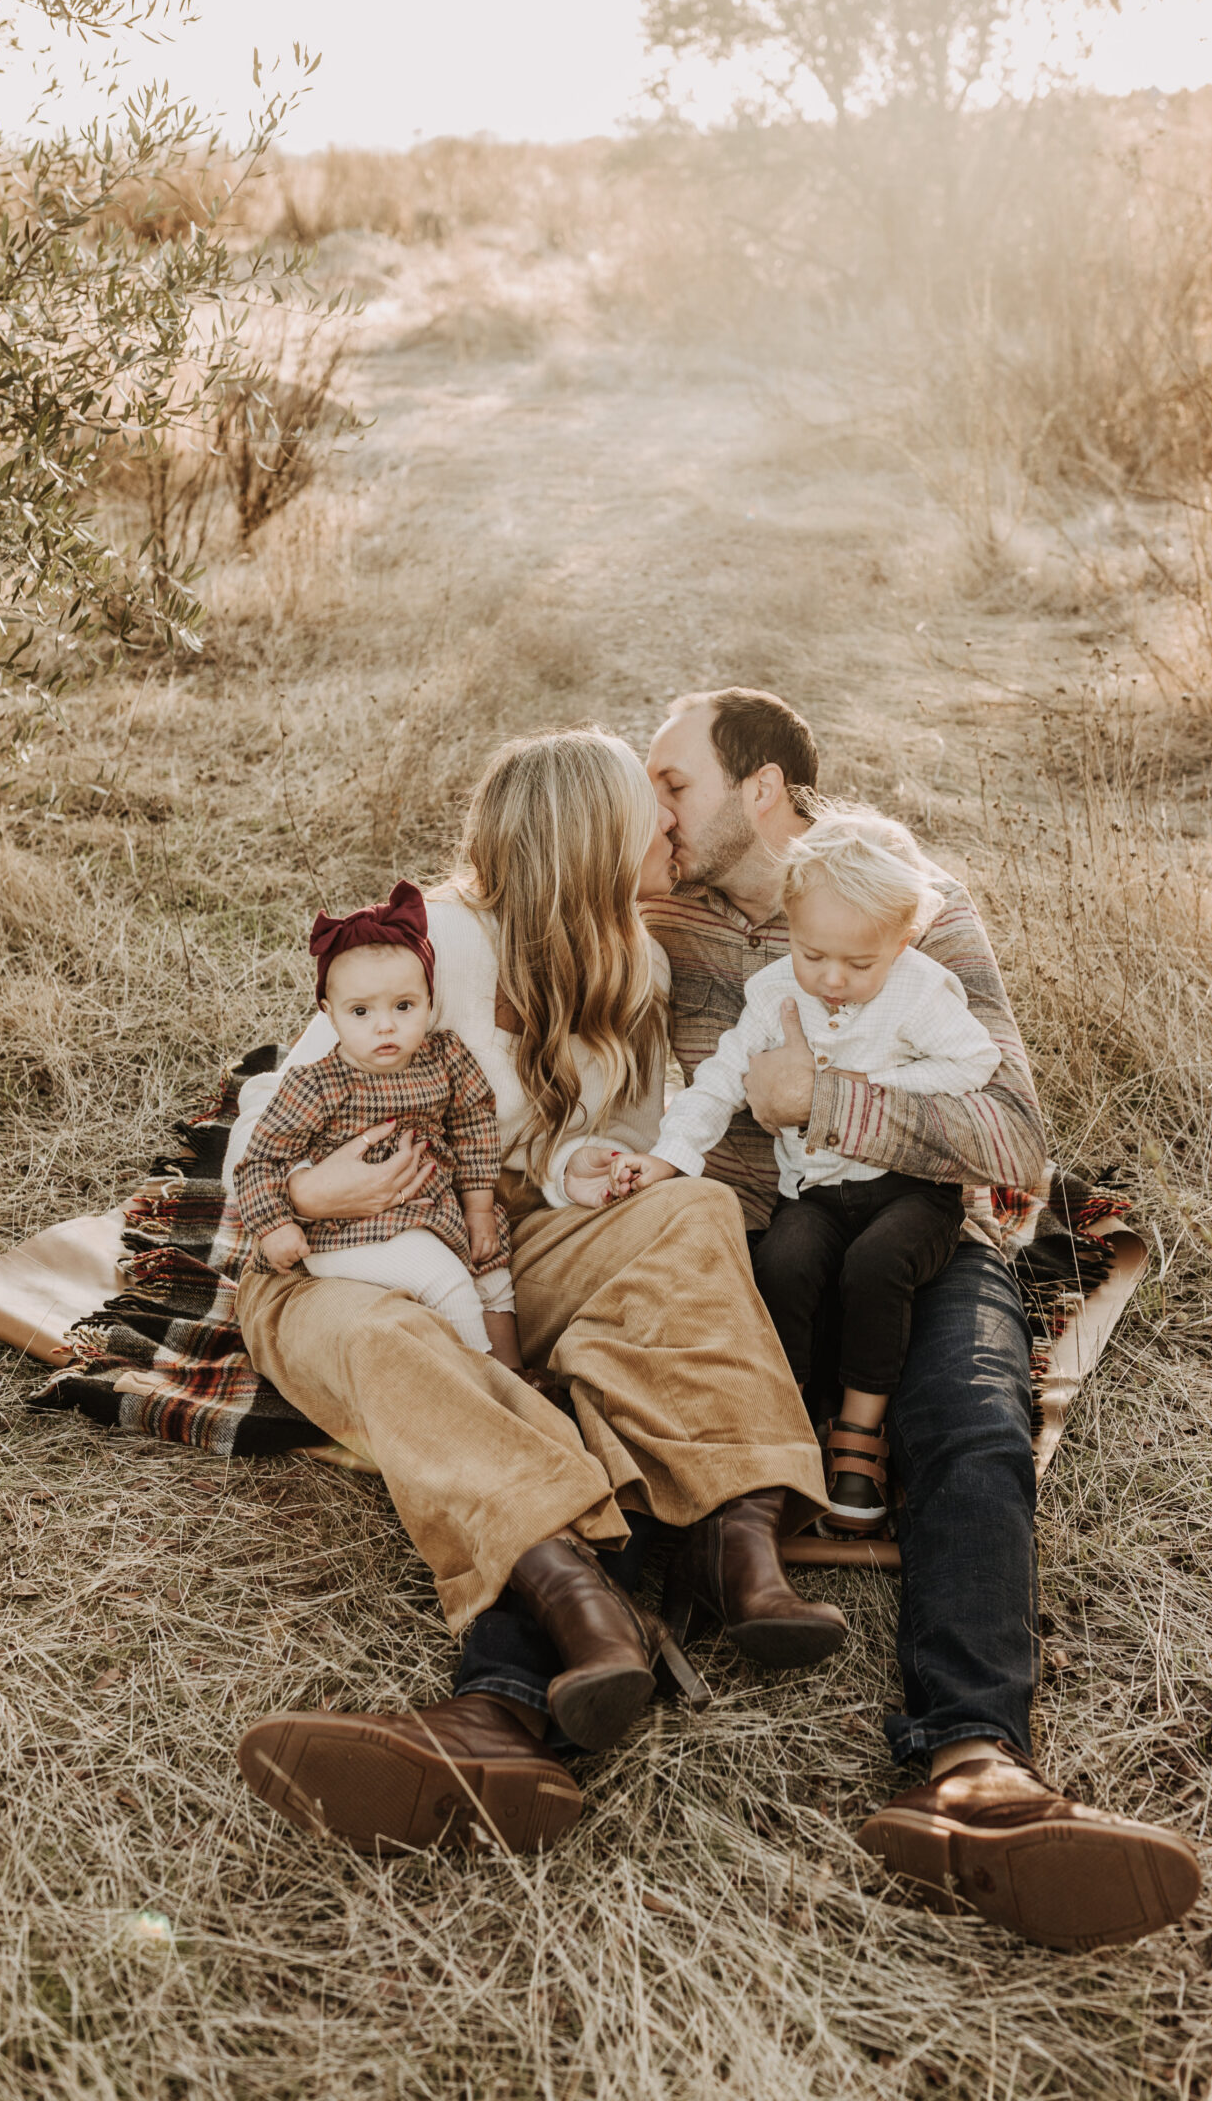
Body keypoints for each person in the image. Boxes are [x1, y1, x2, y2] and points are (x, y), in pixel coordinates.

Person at [644, 687, 1203, 1953]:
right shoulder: (645, 899)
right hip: (730, 1245)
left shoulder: (911, 905)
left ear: (764, 790)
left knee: (972, 1417)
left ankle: (971, 1766)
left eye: (672, 782)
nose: (652, 807)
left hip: (918, 1228)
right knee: (620, 1393)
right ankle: (512, 1711)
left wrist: (829, 1099)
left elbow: (1013, 1138)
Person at [226, 728, 844, 1853]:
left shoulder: (628, 960)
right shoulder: (434, 947)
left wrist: (593, 1166)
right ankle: (580, 1596)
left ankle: (732, 1532)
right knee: (394, 1341)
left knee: (687, 1214)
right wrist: (311, 1193)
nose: (669, 823)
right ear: (585, 844)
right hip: (327, 1254)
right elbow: (258, 1156)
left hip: (497, 1235)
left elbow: (593, 1145)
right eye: (646, 811)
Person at [621, 808, 1000, 1534]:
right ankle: (786, 1424)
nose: (831, 980)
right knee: (785, 1263)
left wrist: (853, 1092)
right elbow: (721, 1079)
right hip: (815, 1191)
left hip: (909, 1191)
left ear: (901, 940)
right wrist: (670, 1157)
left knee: (875, 1268)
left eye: (859, 965)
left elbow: (974, 1063)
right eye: (810, 954)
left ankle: (859, 1440)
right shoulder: (773, 993)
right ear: (789, 924)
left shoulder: (918, 989)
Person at [230, 879, 523, 1367]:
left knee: (491, 1264)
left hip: (431, 1210)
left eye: (403, 1006)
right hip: (347, 1228)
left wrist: (478, 1208)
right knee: (445, 1280)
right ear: (330, 1014)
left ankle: (514, 1371)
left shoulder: (445, 1058)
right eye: (361, 1012)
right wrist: (276, 1224)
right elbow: (260, 1161)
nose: (385, 1026)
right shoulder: (318, 1084)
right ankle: (487, 1387)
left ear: (429, 999)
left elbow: (476, 1127)